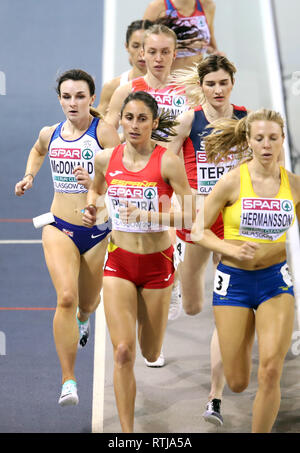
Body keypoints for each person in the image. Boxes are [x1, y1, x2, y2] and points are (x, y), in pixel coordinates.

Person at [82, 91, 195, 433]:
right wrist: (92, 208)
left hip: (158, 264)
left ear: (154, 123)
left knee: (149, 351)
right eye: (128, 118)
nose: (134, 125)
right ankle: (127, 435)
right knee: (121, 352)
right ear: (121, 121)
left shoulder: (167, 162)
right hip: (119, 262)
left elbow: (192, 216)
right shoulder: (105, 158)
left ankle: (169, 293)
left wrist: (150, 214)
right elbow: (98, 191)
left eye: (142, 118)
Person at [14, 69, 120, 406]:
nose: (72, 103)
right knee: (65, 297)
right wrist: (30, 175)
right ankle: (68, 381)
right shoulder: (51, 132)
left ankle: (84, 319)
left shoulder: (102, 132)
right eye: (66, 96)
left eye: (79, 96)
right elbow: (36, 149)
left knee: (87, 304)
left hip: (98, 232)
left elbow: (126, 176)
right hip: (58, 226)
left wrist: (96, 186)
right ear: (59, 99)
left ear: (91, 98)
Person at [191, 108, 298, 433]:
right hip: (234, 283)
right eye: (260, 138)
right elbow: (198, 230)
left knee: (269, 371)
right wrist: (231, 248)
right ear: (248, 141)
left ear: (282, 141)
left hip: (275, 284)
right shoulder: (233, 180)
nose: (267, 145)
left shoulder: (293, 185)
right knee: (237, 381)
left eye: (273, 138)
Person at [167, 54, 249, 425]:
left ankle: (214, 398)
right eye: (211, 84)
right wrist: (181, 202)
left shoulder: (245, 120)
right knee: (193, 307)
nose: (217, 90)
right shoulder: (189, 119)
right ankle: (179, 275)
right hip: (197, 221)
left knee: (224, 307)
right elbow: (165, 165)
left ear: (232, 83)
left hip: (230, 221)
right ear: (201, 87)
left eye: (223, 83)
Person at [96, 19, 153, 117]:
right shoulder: (112, 87)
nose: (141, 53)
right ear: (127, 46)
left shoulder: (172, 87)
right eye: (135, 46)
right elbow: (97, 127)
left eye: (147, 46)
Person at [143, 0, 221, 70]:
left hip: (195, 77)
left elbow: (210, 45)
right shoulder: (157, 7)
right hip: (168, 77)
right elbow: (144, 44)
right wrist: (187, 45)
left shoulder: (207, 5)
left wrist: (215, 53)